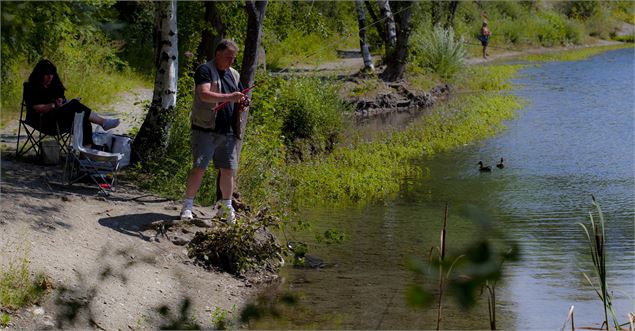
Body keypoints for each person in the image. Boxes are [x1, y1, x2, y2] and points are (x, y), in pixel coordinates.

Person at [180, 39, 250, 224]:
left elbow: (239, 98)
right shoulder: (205, 70)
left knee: (228, 170)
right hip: (205, 129)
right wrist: (230, 97)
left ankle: (226, 208)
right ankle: (187, 206)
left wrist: (242, 103)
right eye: (229, 57)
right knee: (199, 168)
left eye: (234, 58)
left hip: (227, 132)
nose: (231, 62)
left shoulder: (233, 74)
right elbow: (204, 94)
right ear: (218, 53)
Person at [25, 59, 120, 146]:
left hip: (58, 119)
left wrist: (61, 101)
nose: (50, 77)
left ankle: (86, 154)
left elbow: (61, 98)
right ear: (39, 74)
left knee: (84, 119)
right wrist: (53, 105)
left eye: (52, 74)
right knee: (74, 105)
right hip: (43, 121)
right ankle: (103, 122)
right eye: (47, 74)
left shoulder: (54, 85)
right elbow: (35, 108)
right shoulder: (31, 87)